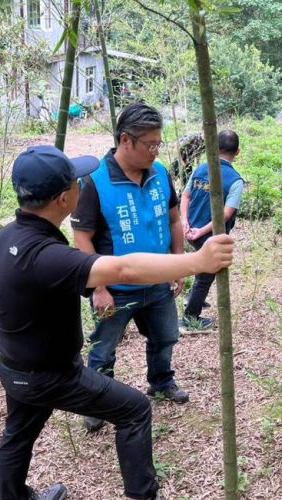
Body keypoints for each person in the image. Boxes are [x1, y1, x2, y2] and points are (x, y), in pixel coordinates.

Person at [0, 145, 233, 500]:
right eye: (75, 181)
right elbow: (121, 267)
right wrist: (196, 262)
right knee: (134, 410)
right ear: (64, 198)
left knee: (19, 428)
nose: (80, 186)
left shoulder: (9, 236)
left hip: (11, 361)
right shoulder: (45, 254)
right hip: (46, 372)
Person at [71, 102, 188, 437]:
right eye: (149, 144)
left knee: (166, 336)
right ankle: (97, 402)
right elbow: (82, 237)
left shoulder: (161, 173)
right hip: (117, 288)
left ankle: (162, 382)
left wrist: (178, 262)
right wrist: (99, 287)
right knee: (104, 348)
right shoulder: (94, 181)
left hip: (158, 281)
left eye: (158, 144)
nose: (155, 150)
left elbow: (174, 219)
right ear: (126, 140)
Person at [179, 130, 244, 332]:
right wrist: (201, 232)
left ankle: (193, 300)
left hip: (192, 230)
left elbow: (185, 197)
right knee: (206, 275)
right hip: (209, 235)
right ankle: (190, 319)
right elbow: (225, 214)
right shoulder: (235, 180)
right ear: (238, 152)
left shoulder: (201, 169)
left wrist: (185, 223)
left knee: (201, 270)